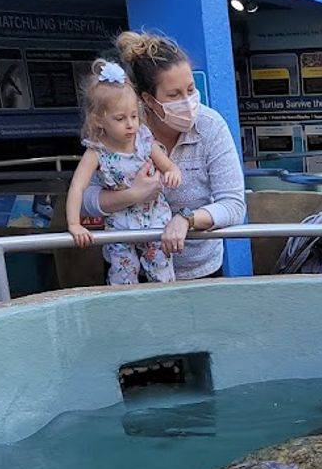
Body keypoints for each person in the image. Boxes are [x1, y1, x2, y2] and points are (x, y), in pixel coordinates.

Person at [81, 31, 246, 280]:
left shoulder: (211, 126)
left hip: (198, 272)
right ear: (148, 100)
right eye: (174, 95)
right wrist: (133, 195)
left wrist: (187, 220)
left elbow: (233, 205)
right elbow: (87, 200)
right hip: (131, 272)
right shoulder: (120, 129)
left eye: (190, 89)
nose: (188, 101)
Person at [66, 60, 181, 285]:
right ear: (99, 120)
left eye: (134, 116)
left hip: (154, 221)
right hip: (119, 225)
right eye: (120, 119)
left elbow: (170, 167)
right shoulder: (96, 152)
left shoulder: (145, 141)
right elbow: (77, 187)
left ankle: (167, 313)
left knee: (162, 274)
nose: (130, 125)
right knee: (122, 275)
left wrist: (172, 174)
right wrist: (74, 224)